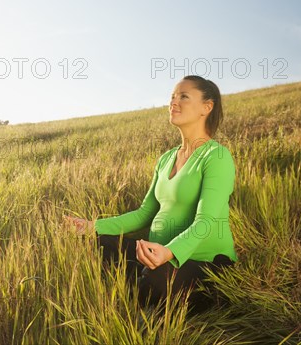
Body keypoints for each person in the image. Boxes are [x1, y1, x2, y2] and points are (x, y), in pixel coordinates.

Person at [63, 75, 238, 311]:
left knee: (156, 283)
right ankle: (142, 280)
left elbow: (206, 222)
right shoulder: (166, 158)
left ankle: (151, 286)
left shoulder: (217, 157)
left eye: (183, 96)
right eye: (172, 96)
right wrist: (91, 226)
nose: (173, 102)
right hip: (157, 253)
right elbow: (144, 214)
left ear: (206, 107)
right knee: (98, 243)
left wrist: (170, 252)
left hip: (204, 260)